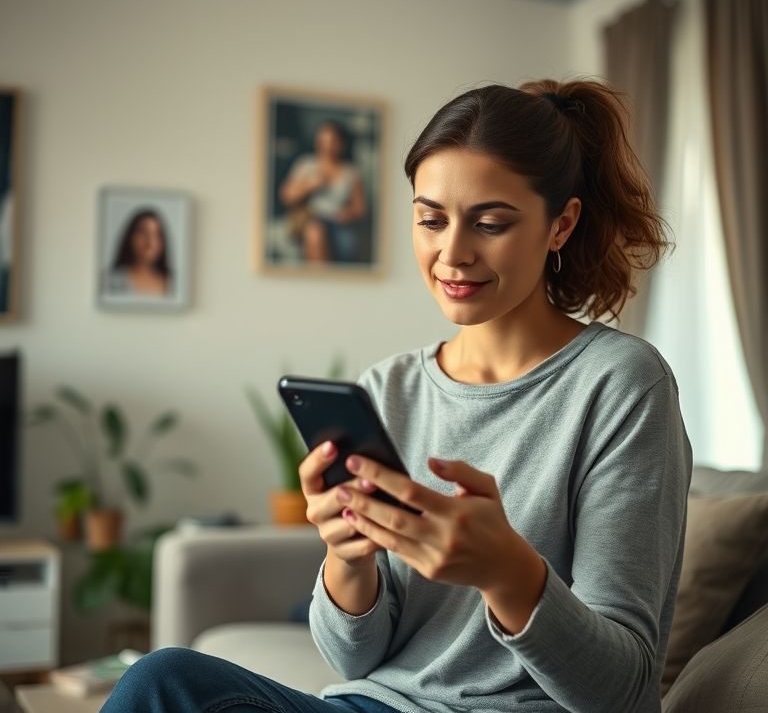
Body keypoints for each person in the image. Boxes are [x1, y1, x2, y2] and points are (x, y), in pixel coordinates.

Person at [103, 79, 692, 713]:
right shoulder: (391, 388)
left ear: (561, 225)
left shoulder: (622, 385)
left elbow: (624, 691)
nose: (453, 253)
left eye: (490, 223)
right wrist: (345, 556)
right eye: (431, 219)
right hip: (373, 705)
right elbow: (353, 659)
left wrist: (507, 572)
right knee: (162, 680)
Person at [278, 120, 367, 263]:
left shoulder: (351, 173)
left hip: (337, 223)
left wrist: (347, 213)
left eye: (332, 141)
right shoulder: (306, 164)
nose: (327, 146)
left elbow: (360, 208)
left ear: (341, 144)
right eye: (323, 140)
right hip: (308, 218)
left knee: (347, 246)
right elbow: (286, 196)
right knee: (314, 232)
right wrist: (309, 186)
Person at [105, 208, 173, 296]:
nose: (150, 242)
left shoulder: (173, 281)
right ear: (130, 237)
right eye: (143, 232)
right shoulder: (112, 280)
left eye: (156, 234)